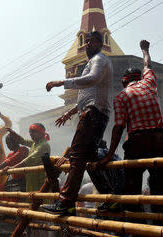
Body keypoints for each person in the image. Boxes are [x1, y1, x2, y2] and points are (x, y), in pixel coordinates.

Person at [98, 40, 163, 237]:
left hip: (138, 142)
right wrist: (145, 50)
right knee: (161, 193)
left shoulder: (121, 96)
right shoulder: (149, 82)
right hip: (161, 140)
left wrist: (110, 154)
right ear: (138, 78)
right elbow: (148, 64)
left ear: (123, 82)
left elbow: (119, 127)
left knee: (132, 191)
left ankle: (141, 234)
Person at [42, 31, 112, 214]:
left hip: (93, 114)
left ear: (100, 43)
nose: (87, 44)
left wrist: (61, 82)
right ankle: (110, 197)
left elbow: (92, 79)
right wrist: (70, 112)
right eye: (86, 41)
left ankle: (65, 202)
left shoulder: (100, 59)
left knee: (77, 156)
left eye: (90, 41)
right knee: (89, 158)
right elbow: (87, 95)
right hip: (94, 113)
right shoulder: (94, 61)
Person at [6, 124, 52, 237]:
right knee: (30, 215)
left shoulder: (43, 145)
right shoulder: (34, 143)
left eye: (34, 132)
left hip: (40, 184)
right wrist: (13, 133)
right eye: (30, 132)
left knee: (41, 217)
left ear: (41, 133)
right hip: (31, 184)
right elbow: (22, 141)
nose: (31, 135)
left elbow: (30, 159)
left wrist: (15, 167)